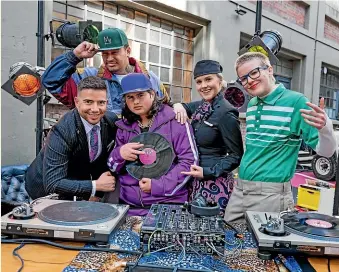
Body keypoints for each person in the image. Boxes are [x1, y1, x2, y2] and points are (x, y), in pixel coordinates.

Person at [223, 52, 337, 222]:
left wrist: (326, 129)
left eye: (254, 73)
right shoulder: (253, 104)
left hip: (271, 195)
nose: (249, 81)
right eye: (244, 78)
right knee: (232, 242)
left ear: (270, 70)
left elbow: (326, 152)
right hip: (241, 189)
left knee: (263, 246)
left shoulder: (296, 101)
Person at [107, 73, 198, 216]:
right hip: (129, 207)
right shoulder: (123, 127)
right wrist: (120, 153)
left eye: (140, 95)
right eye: (130, 97)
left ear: (153, 94)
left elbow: (189, 162)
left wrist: (157, 186)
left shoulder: (175, 121)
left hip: (168, 205)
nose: (136, 101)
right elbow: (113, 167)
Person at [25, 76, 118, 201]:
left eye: (101, 102)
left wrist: (96, 193)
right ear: (77, 102)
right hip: (43, 193)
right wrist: (96, 186)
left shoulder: (111, 121)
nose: (95, 109)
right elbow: (53, 184)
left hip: (78, 187)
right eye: (88, 102)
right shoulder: (62, 130)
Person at [41, 28, 169, 115]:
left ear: (128, 51)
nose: (109, 58)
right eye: (105, 53)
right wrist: (75, 55)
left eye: (114, 52)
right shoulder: (88, 78)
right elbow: (50, 80)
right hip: (101, 153)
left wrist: (181, 107)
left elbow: (166, 112)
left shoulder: (151, 79)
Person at [174, 60, 244, 216]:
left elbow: (236, 156)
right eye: (199, 82)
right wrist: (178, 105)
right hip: (194, 180)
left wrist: (207, 172)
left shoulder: (226, 112)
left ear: (219, 81)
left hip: (215, 183)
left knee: (211, 232)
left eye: (208, 79)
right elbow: (185, 107)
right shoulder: (201, 105)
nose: (203, 85)